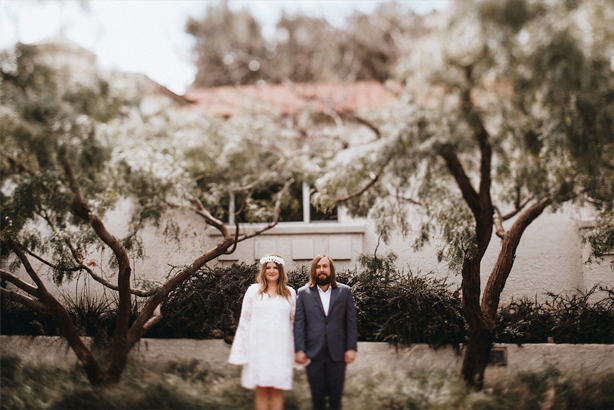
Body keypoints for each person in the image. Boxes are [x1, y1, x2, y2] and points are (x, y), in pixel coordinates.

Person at [229, 254, 296, 410]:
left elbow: (293, 323)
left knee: (277, 391)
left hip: (280, 349)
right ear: (263, 270)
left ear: (281, 271)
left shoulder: (290, 293)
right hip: (258, 349)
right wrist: (241, 351)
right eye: (268, 268)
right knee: (261, 390)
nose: (271, 271)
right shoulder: (253, 291)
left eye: (275, 268)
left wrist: (296, 351)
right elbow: (244, 321)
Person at [294, 254, 358, 410]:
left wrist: (351, 348)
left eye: (325, 266)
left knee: (336, 399)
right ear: (314, 270)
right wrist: (299, 349)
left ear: (331, 269)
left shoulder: (344, 291)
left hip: (338, 353)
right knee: (317, 399)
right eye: (318, 266)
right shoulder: (303, 293)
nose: (321, 270)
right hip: (313, 353)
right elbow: (299, 323)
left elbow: (350, 322)